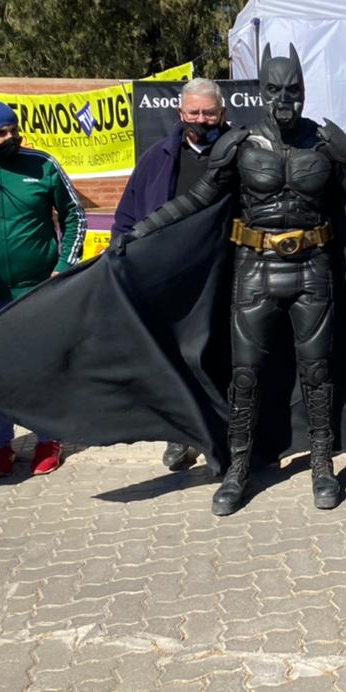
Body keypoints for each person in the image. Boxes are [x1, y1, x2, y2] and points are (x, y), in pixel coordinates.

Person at [117, 44, 346, 516]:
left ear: (304, 90)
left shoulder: (327, 144)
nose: (285, 98)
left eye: (293, 89)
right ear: (261, 92)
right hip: (254, 267)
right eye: (275, 89)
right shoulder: (239, 145)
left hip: (313, 266)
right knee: (245, 376)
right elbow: (198, 199)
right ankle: (238, 466)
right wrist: (141, 229)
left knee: (318, 372)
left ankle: (323, 465)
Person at [0, 101, 86, 479]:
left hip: (38, 291)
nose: (12, 137)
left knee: (42, 369)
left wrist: (64, 266)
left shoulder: (42, 164)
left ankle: (48, 439)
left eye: (13, 129)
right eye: (1, 132)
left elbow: (75, 214)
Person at [113, 78, 229, 472]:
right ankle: (181, 437)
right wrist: (121, 256)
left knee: (221, 357)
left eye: (208, 112)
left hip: (225, 272)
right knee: (175, 359)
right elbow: (128, 214)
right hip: (170, 276)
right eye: (193, 112)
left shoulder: (241, 153)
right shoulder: (157, 158)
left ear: (222, 114)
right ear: (181, 114)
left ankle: (228, 434)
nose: (201, 119)